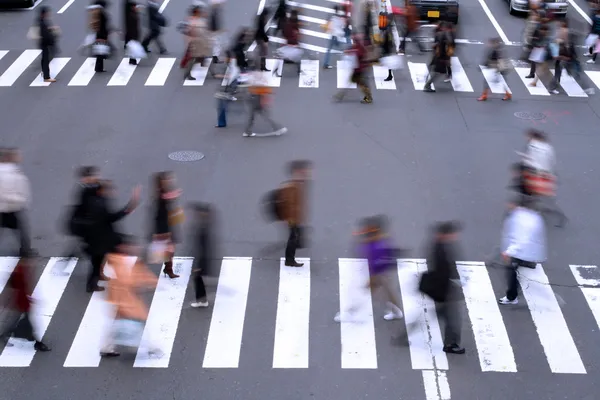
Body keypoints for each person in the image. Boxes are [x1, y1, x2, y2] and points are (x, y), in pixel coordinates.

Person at [421, 221, 465, 354]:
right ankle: (451, 344)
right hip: (444, 291)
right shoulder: (440, 249)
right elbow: (443, 272)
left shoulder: (439, 246)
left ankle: (405, 334)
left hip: (443, 290)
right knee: (453, 319)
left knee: (441, 315)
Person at [498, 195, 546, 305]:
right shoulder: (530, 217)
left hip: (519, 250)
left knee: (510, 271)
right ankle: (513, 293)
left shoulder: (523, 220)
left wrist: (509, 251)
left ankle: (512, 297)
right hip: (525, 250)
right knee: (511, 270)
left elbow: (522, 239)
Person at [0, 253, 50, 352]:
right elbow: (17, 287)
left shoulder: (22, 269)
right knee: (29, 324)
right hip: (21, 303)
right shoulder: (20, 271)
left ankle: (4, 335)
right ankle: (38, 343)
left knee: (16, 322)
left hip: (22, 302)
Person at [150, 171, 183, 279]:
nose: (169, 182)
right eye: (166, 180)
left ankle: (168, 268)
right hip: (163, 226)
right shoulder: (161, 194)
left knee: (169, 250)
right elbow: (167, 197)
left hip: (166, 224)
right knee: (167, 250)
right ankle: (168, 269)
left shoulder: (162, 192)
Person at [0, 148, 33, 255]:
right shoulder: (11, 172)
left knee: (21, 231)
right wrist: (20, 200)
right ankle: (25, 251)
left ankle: (25, 249)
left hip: (6, 208)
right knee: (22, 232)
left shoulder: (11, 171)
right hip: (11, 208)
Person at [280, 160, 311, 267]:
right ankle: (289, 260)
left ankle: (291, 257)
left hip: (295, 218)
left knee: (294, 237)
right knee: (293, 238)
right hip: (293, 219)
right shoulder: (292, 186)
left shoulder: (297, 184)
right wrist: (292, 219)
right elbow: (290, 204)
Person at [190, 203, 217, 308]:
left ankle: (202, 300)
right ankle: (202, 299)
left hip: (201, 260)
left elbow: (202, 247)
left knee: (197, 279)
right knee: (198, 279)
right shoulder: (205, 224)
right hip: (202, 259)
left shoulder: (203, 227)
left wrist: (198, 265)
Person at [38, 6, 59, 83]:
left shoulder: (41, 21)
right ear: (44, 14)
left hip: (44, 43)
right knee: (46, 59)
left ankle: (44, 72)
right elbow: (45, 34)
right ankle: (46, 77)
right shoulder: (42, 22)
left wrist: (50, 28)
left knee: (45, 59)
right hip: (46, 43)